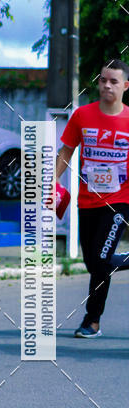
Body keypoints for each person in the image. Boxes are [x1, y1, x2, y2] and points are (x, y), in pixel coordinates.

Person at [56, 59, 129, 338]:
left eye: (113, 81)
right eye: (102, 80)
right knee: (94, 263)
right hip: (87, 201)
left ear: (125, 86)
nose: (106, 85)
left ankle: (92, 321)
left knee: (100, 260)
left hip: (121, 201)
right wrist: (52, 180)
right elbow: (67, 150)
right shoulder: (82, 116)